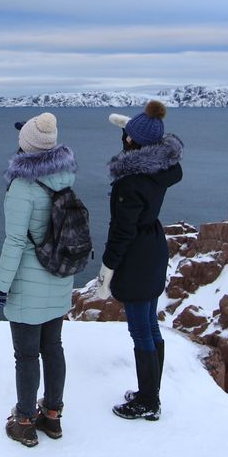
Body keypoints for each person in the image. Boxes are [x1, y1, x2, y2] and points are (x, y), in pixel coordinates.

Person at [0, 112, 78, 447]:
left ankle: (24, 420)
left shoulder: (21, 188)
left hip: (28, 281)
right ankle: (52, 416)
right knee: (52, 347)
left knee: (26, 354)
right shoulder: (64, 176)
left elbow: (15, 242)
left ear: (23, 146)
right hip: (59, 273)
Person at [94, 100, 183, 421]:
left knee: (141, 331)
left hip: (136, 258)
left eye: (127, 136)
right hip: (154, 249)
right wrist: (129, 123)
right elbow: (142, 136)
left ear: (132, 143)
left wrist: (107, 269)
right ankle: (151, 393)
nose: (123, 139)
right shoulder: (160, 169)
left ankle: (148, 401)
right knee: (151, 326)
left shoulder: (130, 182)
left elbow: (121, 231)